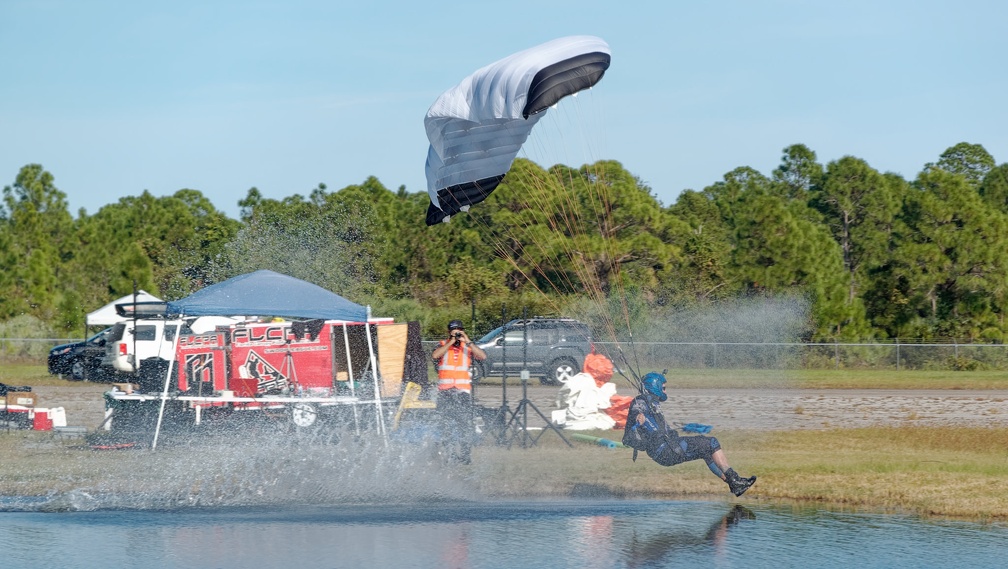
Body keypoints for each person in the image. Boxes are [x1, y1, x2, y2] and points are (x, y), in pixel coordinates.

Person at [623, 372, 756, 496]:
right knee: (712, 443)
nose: (665, 391)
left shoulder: (650, 401)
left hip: (664, 451)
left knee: (706, 452)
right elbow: (637, 413)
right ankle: (735, 479)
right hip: (667, 450)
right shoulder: (640, 402)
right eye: (663, 388)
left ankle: (733, 484)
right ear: (655, 387)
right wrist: (639, 418)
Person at [430, 319, 486, 463]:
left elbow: (482, 356)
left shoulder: (467, 347)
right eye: (454, 331)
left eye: (459, 330)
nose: (457, 333)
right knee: (445, 425)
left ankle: (465, 455)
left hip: (462, 392)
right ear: (449, 332)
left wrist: (466, 340)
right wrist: (450, 342)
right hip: (445, 391)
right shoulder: (442, 345)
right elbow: (435, 356)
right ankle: (449, 454)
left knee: (465, 424)